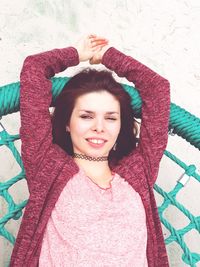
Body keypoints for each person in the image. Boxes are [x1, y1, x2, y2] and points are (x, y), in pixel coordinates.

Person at [9, 34, 170, 267]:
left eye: (111, 118)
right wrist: (77, 53)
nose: (99, 127)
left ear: (122, 124)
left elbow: (158, 88)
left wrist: (108, 56)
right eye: (86, 116)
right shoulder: (47, 165)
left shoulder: (139, 170)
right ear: (67, 122)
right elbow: (36, 68)